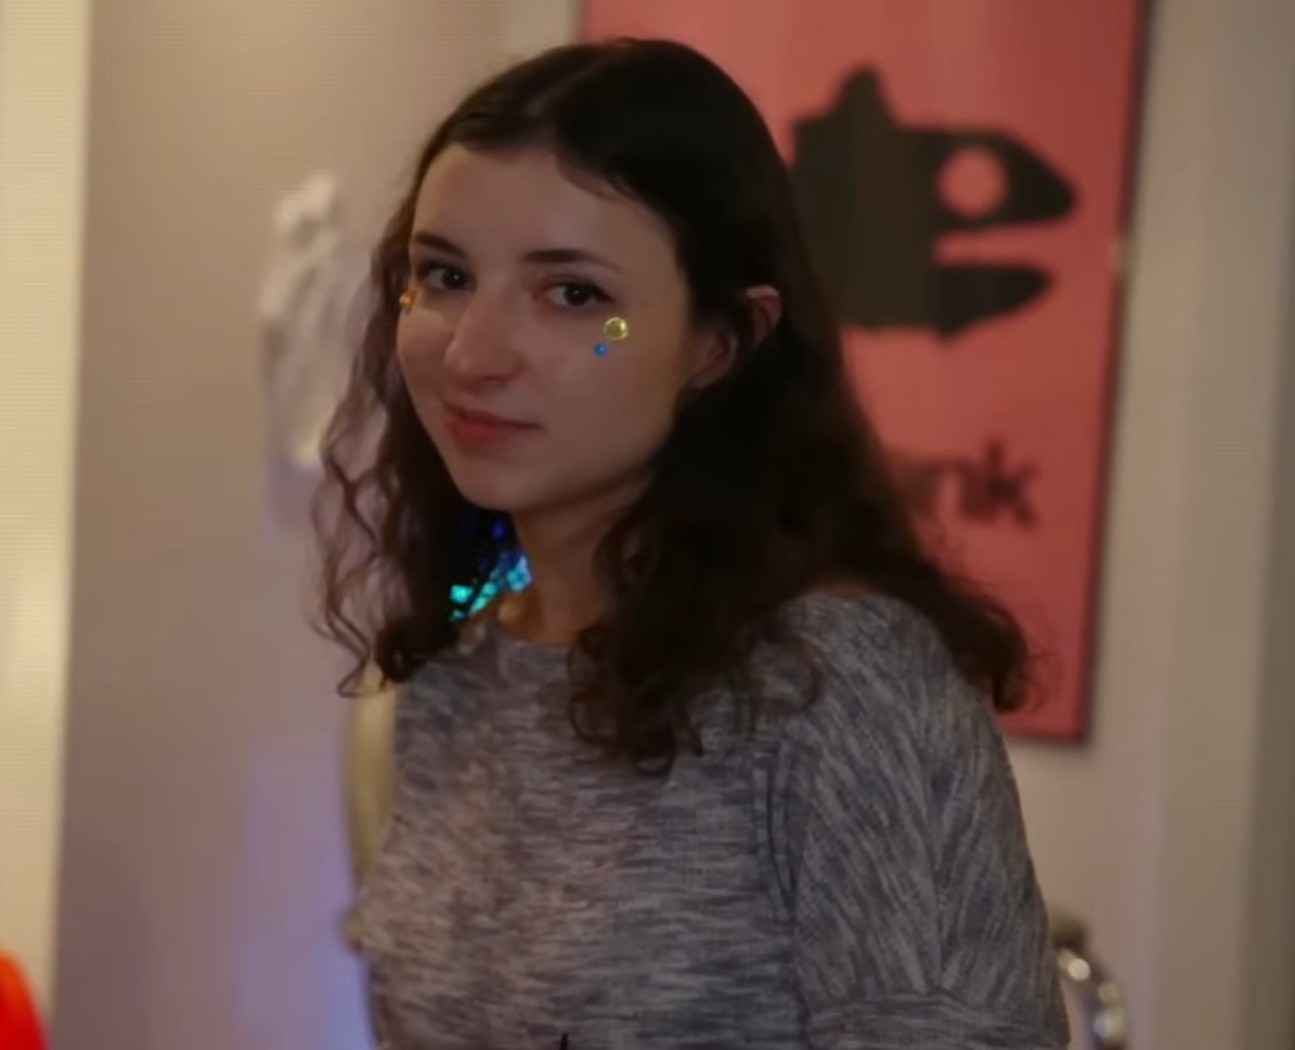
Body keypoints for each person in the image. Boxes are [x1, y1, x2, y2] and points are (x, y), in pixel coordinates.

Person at [314, 36, 1069, 1050]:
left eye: (575, 295)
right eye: (443, 276)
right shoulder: (447, 682)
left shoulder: (839, 688)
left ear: (720, 342)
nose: (472, 352)